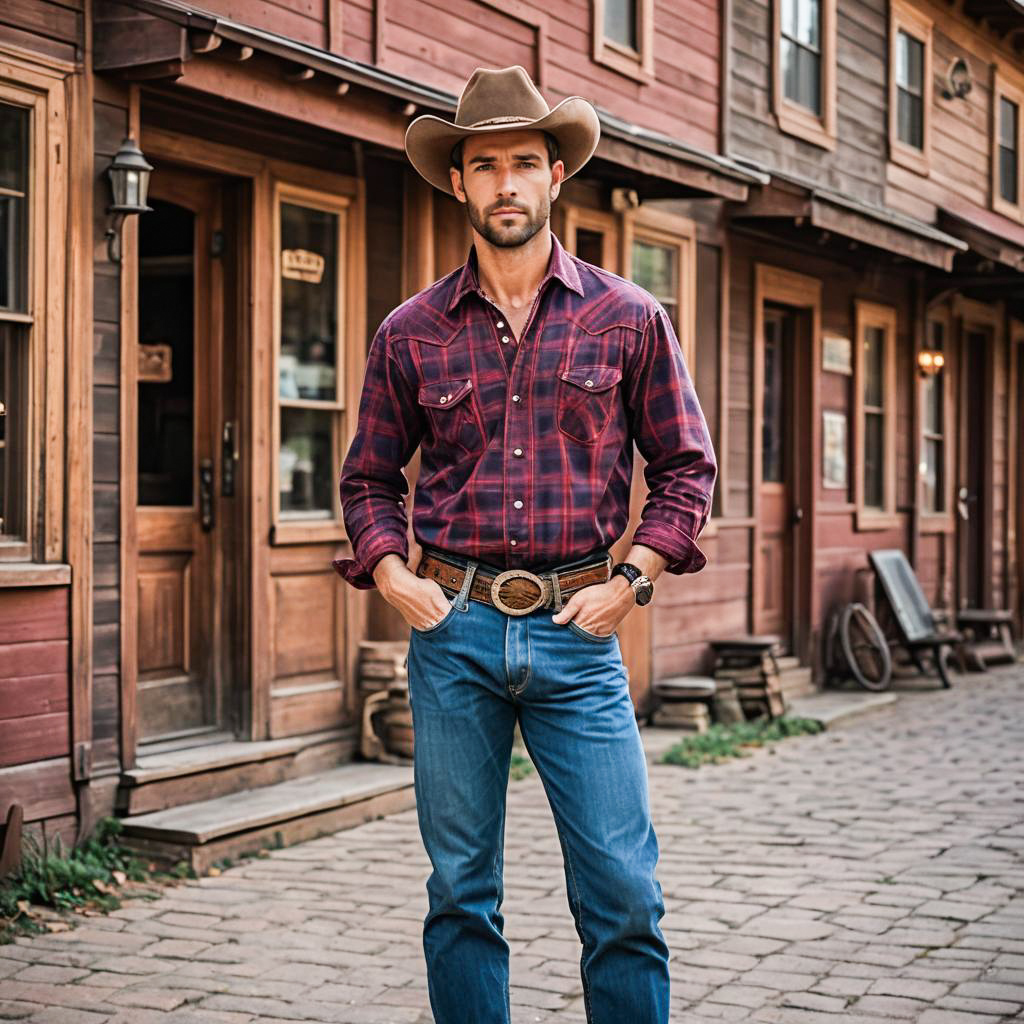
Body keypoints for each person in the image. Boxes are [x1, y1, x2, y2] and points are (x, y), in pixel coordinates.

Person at [332, 65, 717, 1024]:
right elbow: (369, 478)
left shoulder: (629, 317)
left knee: (624, 895)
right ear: (458, 184)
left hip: (580, 639)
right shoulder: (409, 333)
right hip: (452, 635)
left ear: (555, 177)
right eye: (484, 165)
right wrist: (390, 571)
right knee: (460, 893)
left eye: (523, 163)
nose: (505, 182)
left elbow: (686, 470)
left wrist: (632, 581)